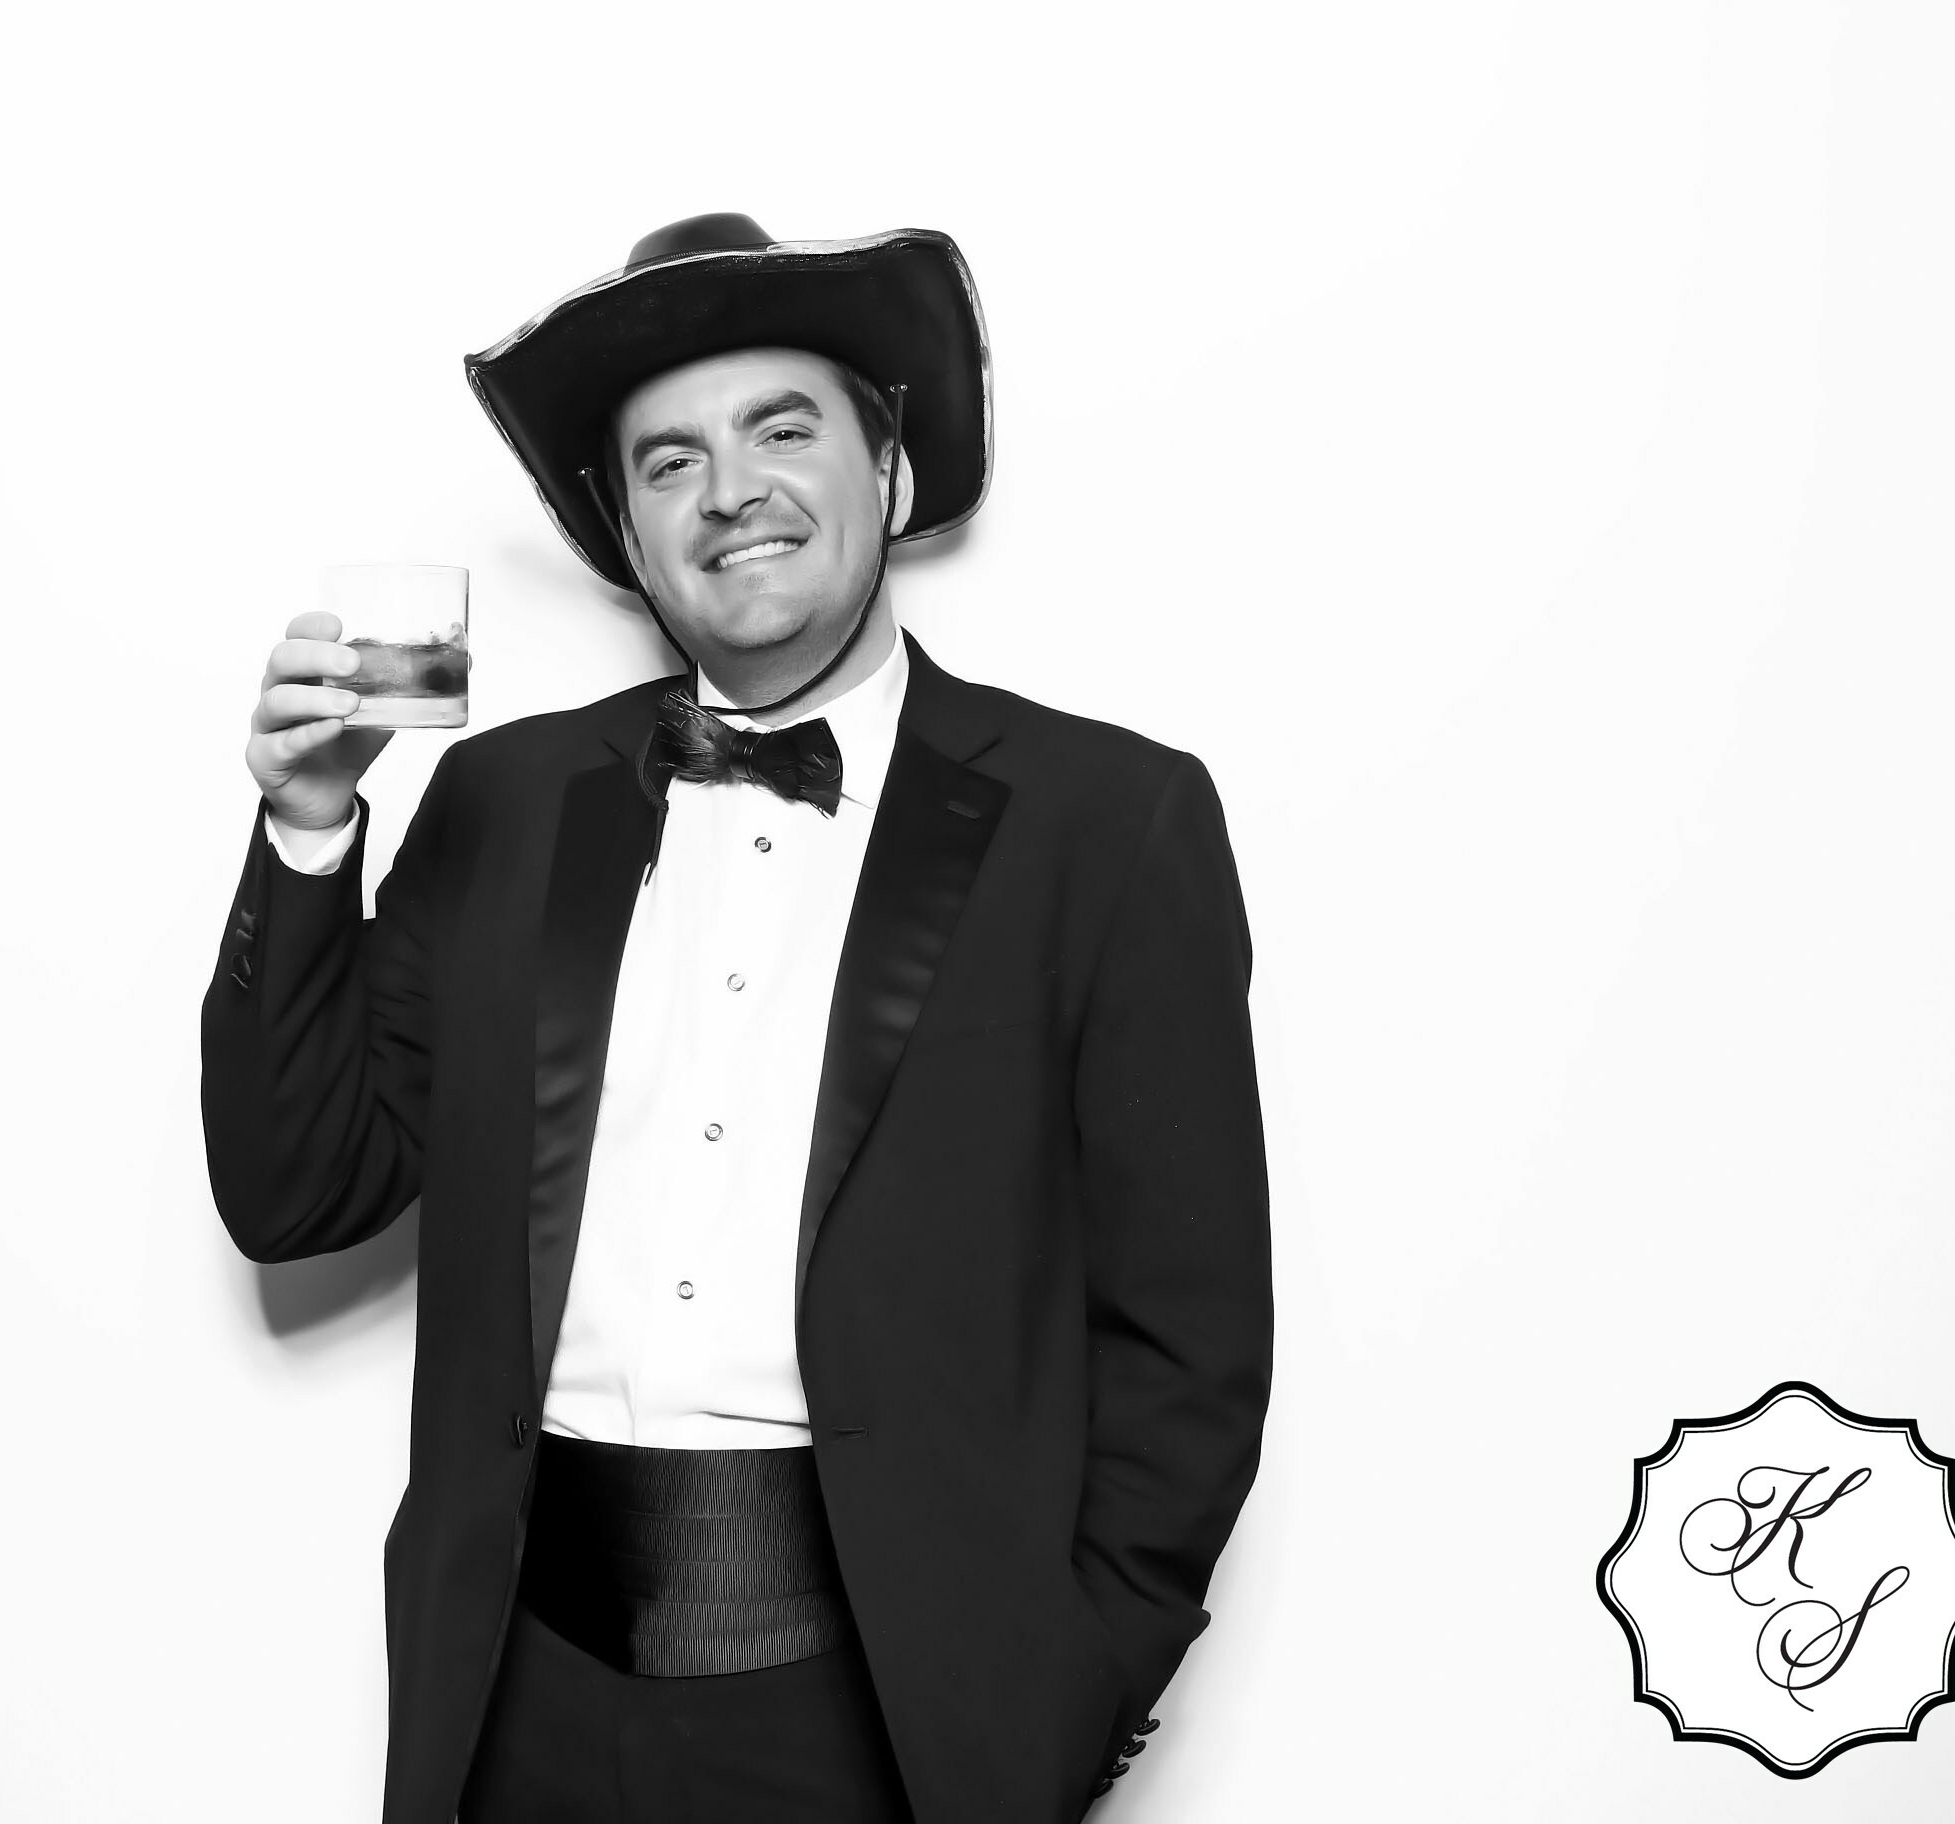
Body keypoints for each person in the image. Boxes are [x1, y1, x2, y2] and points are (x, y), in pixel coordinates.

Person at [205, 214, 1271, 1824]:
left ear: (886, 470)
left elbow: (1189, 1339)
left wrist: (1065, 1693)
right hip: (516, 1692)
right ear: (628, 538)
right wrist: (307, 832)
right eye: (669, 462)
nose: (728, 491)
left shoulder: (1111, 822)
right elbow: (296, 1192)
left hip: (900, 1720)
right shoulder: (499, 800)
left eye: (782, 431)